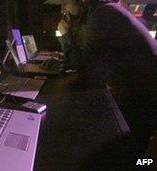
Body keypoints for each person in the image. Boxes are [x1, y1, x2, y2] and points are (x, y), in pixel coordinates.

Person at [58, 0, 157, 151]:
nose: (64, 9)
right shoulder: (106, 11)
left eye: (65, 2)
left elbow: (84, 68)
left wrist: (65, 36)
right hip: (141, 94)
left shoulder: (101, 17)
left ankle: (141, 163)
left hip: (141, 101)